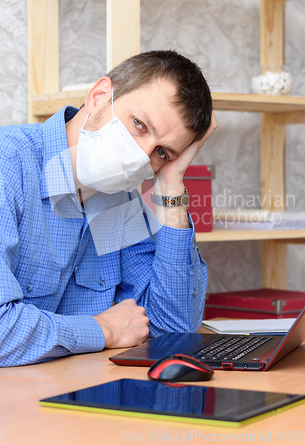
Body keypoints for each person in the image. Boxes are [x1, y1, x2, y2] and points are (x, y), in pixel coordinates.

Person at [0, 50, 216, 367]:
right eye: (139, 124)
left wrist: (171, 182)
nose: (142, 156)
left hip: (75, 393)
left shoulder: (121, 195)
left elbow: (172, 328)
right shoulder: (8, 164)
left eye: (160, 152)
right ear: (100, 97)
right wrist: (103, 330)